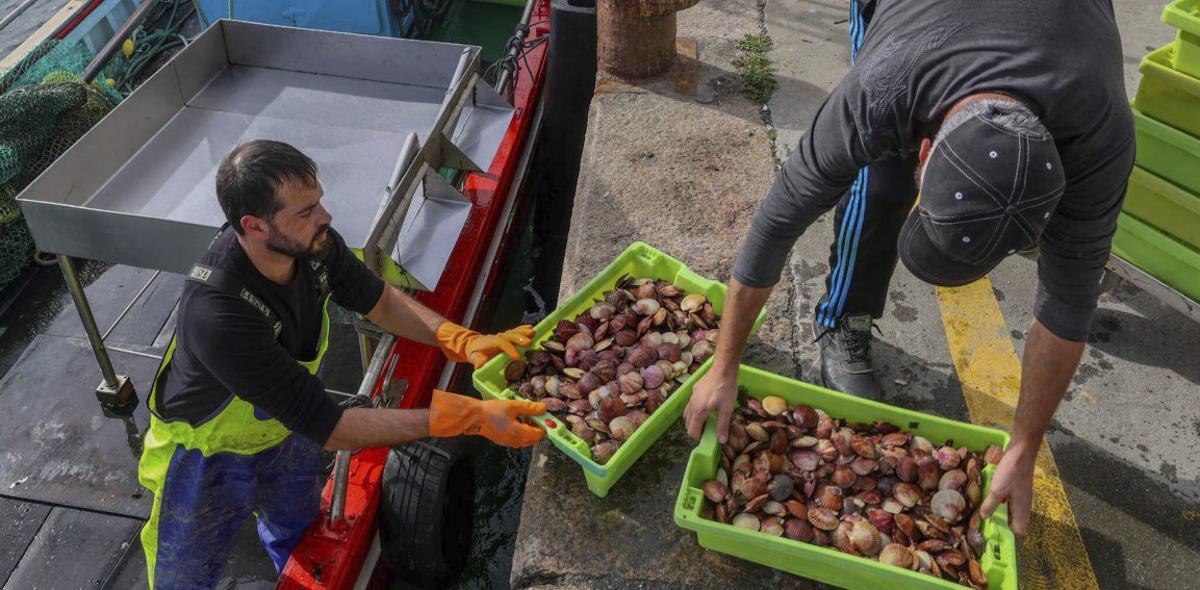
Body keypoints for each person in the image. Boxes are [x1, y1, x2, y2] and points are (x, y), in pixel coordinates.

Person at [684, 0, 1133, 539]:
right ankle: (844, 317)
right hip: (922, 23)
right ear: (924, 151)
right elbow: (777, 221)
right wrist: (724, 363)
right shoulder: (884, 87)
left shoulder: (1100, 139)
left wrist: (1024, 446)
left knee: (1073, 259)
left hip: (1062, 29)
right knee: (880, 182)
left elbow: (1067, 309)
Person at [136, 140, 546, 588]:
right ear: (254, 226)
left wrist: (460, 340)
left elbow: (377, 299)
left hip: (283, 429)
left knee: (298, 531)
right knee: (186, 573)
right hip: (207, 456)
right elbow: (335, 430)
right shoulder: (219, 315)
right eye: (305, 211)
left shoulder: (312, 247)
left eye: (319, 201)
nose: (325, 218)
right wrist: (468, 417)